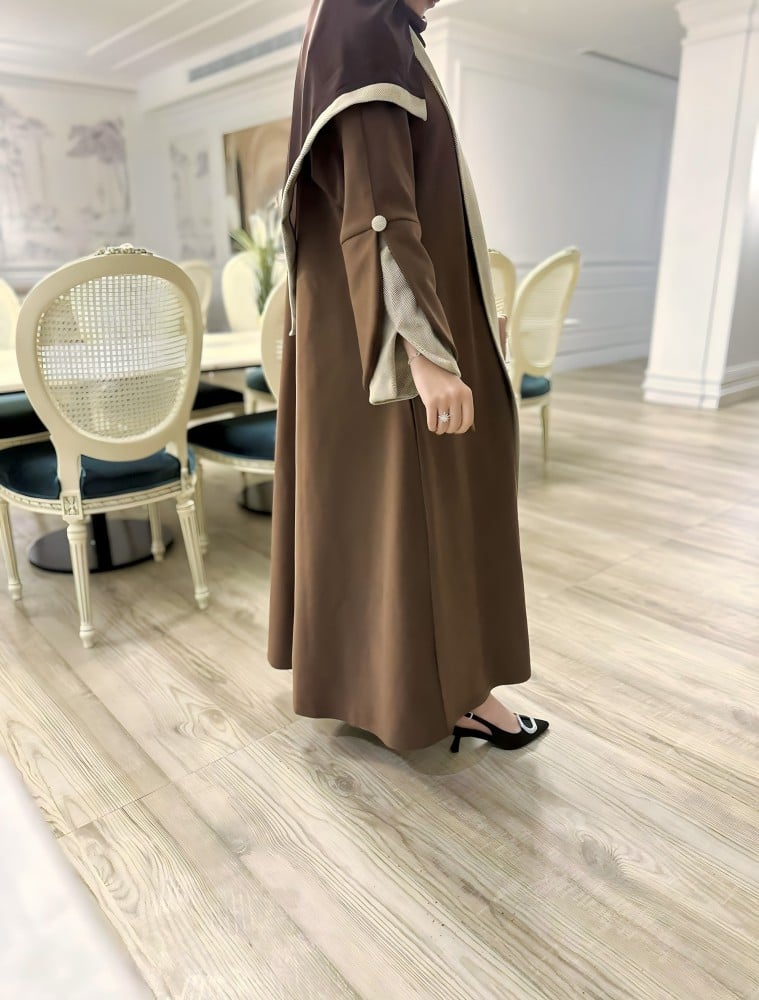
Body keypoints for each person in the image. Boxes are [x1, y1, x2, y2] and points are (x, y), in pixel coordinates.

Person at [268, 0, 549, 753]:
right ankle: (459, 696)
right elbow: (378, 211)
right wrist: (425, 353)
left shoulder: (352, 27)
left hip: (354, 336)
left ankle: (383, 688)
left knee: (377, 510)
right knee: (428, 506)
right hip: (391, 340)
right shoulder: (363, 25)